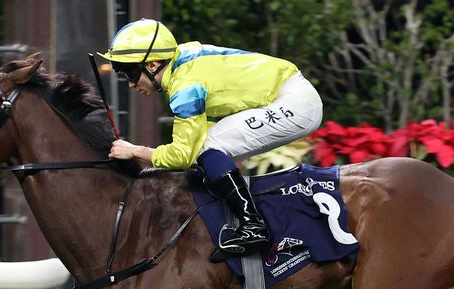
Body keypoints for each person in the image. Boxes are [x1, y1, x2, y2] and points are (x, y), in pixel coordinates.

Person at [99, 18, 324, 256]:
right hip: (290, 93)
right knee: (205, 149)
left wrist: (135, 151)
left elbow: (182, 156)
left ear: (153, 65)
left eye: (130, 73)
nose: (130, 84)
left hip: (296, 104)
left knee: (206, 148)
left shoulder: (185, 87)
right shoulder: (180, 62)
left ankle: (253, 225)